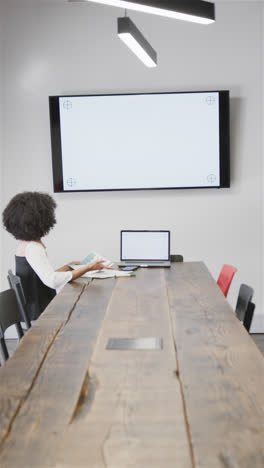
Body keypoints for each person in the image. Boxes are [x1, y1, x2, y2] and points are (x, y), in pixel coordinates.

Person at [2, 191, 109, 321]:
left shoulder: (24, 245)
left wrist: (68, 266)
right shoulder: (33, 248)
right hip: (43, 315)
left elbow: (39, 277)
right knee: (91, 310)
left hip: (35, 310)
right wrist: (87, 268)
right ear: (40, 220)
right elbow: (52, 281)